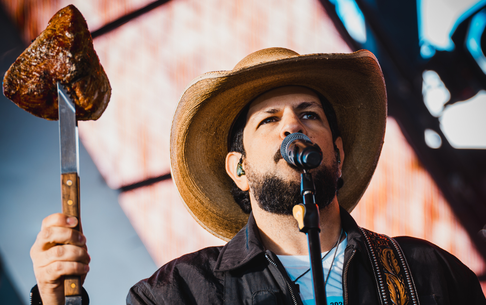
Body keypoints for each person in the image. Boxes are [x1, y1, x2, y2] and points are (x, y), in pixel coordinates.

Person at [30, 47, 486, 305]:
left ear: (338, 154)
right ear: (240, 169)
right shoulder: (180, 294)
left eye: (309, 114)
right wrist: (55, 300)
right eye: (269, 120)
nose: (293, 126)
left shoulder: (428, 274)